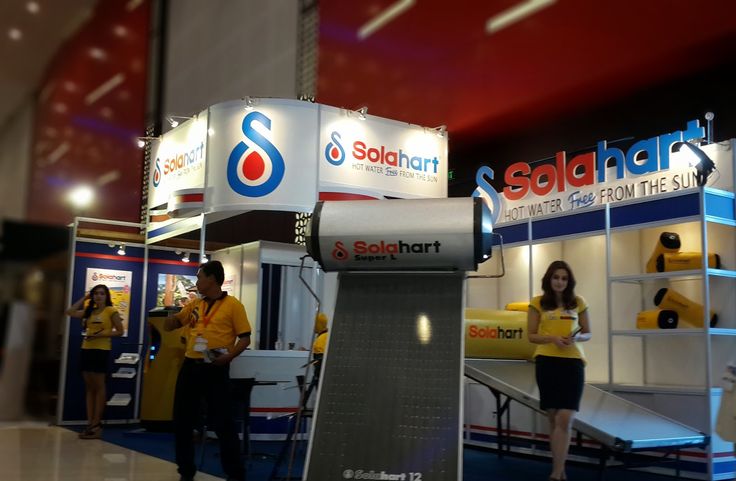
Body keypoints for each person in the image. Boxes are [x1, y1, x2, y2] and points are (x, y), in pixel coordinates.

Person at [164, 260, 251, 481]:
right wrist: (171, 318)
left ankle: (235, 474)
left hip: (215, 369)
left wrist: (229, 357)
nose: (197, 282)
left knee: (223, 423)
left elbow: (245, 338)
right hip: (190, 366)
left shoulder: (233, 305)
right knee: (182, 421)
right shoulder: (195, 304)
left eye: (199, 277)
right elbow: (174, 323)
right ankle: (186, 472)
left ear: (212, 279)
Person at [526, 260, 592, 481]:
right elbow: (531, 335)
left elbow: (588, 333)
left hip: (573, 363)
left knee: (566, 417)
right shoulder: (537, 302)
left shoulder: (579, 302)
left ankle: (555, 474)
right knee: (554, 418)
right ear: (549, 279)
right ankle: (560, 470)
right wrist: (552, 338)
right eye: (556, 277)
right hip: (546, 362)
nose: (560, 282)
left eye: (564, 278)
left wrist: (576, 338)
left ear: (569, 281)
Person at [66, 284, 124, 439]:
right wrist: (85, 297)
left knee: (99, 387)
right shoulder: (89, 310)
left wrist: (101, 335)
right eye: (96, 293)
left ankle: (97, 424)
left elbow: (120, 331)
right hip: (86, 349)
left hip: (101, 351)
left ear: (107, 296)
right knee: (89, 388)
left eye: (102, 293)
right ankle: (90, 422)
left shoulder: (111, 311)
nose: (98, 296)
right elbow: (70, 312)